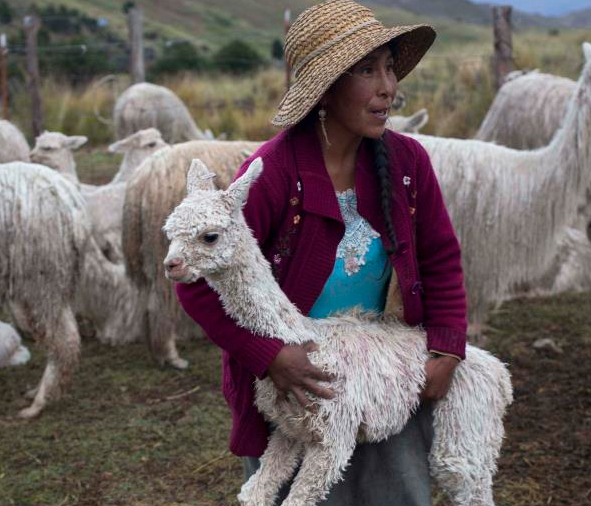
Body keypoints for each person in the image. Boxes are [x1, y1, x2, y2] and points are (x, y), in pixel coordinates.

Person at [174, 1, 467, 504]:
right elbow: (198, 280)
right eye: (367, 70)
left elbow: (439, 257)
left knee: (393, 492)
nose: (388, 87)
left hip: (381, 377)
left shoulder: (406, 163)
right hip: (299, 384)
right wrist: (269, 357)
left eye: (390, 68)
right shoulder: (273, 175)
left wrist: (447, 345)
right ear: (326, 88)